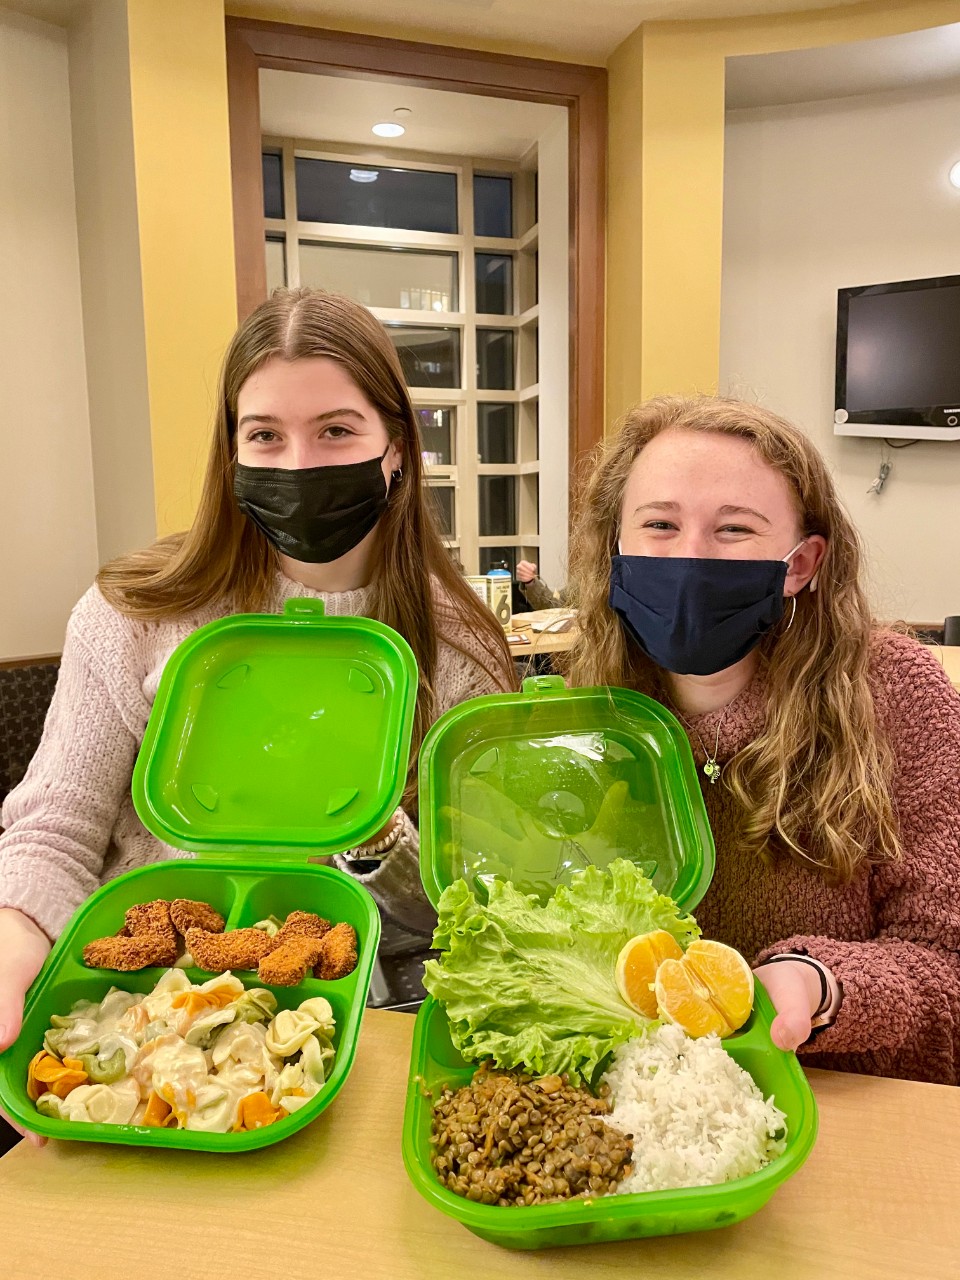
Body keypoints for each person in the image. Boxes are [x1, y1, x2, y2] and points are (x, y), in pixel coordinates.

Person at [0, 288, 516, 1142]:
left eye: (338, 431)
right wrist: (14, 939)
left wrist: (376, 838)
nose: (300, 463)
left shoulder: (459, 648)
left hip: (367, 1034)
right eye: (266, 434)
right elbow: (54, 828)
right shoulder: (133, 614)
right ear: (231, 450)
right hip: (135, 1029)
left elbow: (459, 910)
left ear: (396, 449)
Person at [565, 394, 960, 1084]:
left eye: (734, 530)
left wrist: (825, 985)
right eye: (659, 524)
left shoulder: (897, 695)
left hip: (852, 1104)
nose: (690, 556)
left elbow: (946, 966)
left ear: (800, 564)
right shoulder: (585, 715)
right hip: (648, 1116)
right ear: (616, 552)